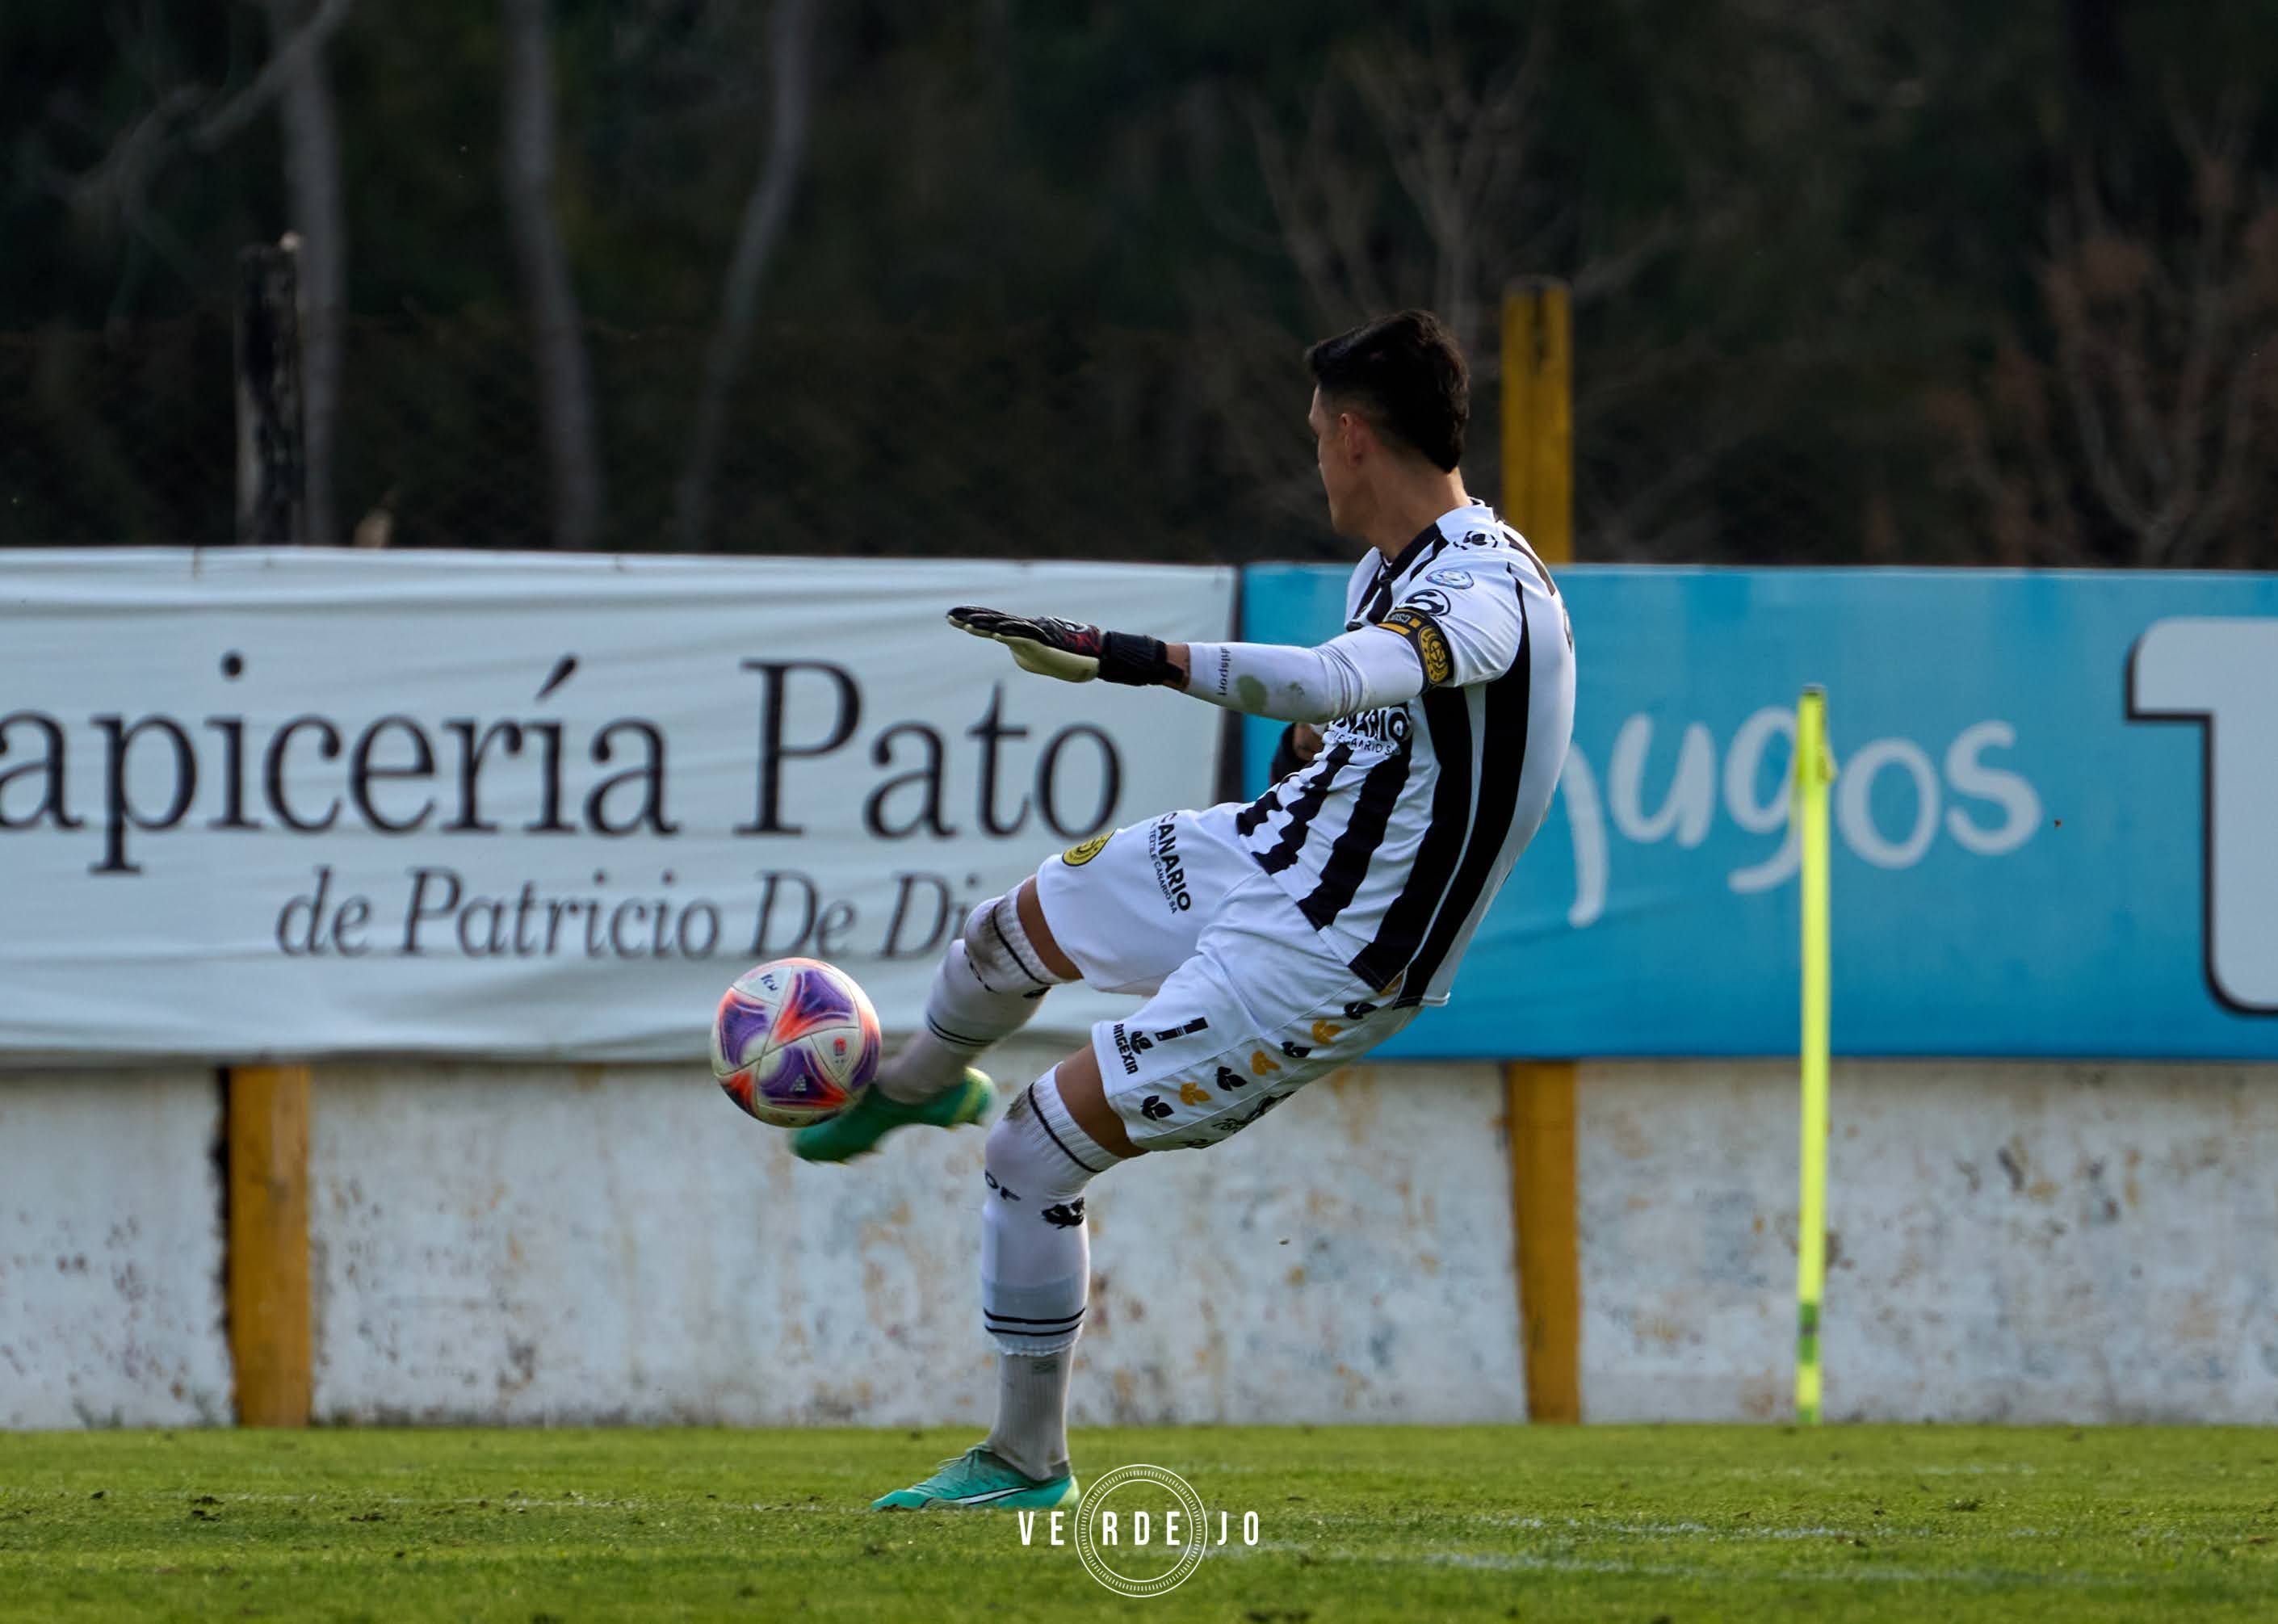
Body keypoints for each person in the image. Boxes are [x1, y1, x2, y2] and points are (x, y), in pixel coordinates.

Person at [795, 308, 1576, 1510]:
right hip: (1270, 855)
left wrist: (1126, 656)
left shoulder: (1489, 591)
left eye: (1318, 433)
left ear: (1355, 438)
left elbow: (1334, 676)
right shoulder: (1392, 569)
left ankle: (1022, 1462)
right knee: (1012, 928)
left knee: (1030, 1147)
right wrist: (1321, 742)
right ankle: (911, 1087)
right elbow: (1356, 714)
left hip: (1326, 958)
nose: (1315, 454)